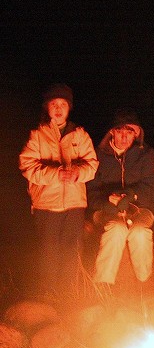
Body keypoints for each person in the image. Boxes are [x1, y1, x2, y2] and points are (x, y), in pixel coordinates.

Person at [19, 83, 99, 305]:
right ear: (47, 108)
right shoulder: (37, 135)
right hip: (47, 204)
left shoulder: (79, 134)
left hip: (74, 203)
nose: (58, 108)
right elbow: (27, 167)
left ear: (69, 108)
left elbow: (92, 165)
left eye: (62, 104)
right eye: (54, 104)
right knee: (48, 250)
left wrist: (76, 173)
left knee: (72, 248)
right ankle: (47, 293)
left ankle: (69, 293)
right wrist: (55, 174)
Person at [87, 108, 154, 294]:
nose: (124, 137)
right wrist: (106, 202)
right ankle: (103, 284)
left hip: (140, 208)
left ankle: (144, 282)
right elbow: (89, 189)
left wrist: (131, 195)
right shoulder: (98, 155)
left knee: (139, 232)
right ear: (112, 132)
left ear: (136, 135)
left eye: (130, 133)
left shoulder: (145, 154)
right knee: (117, 229)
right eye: (120, 131)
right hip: (105, 209)